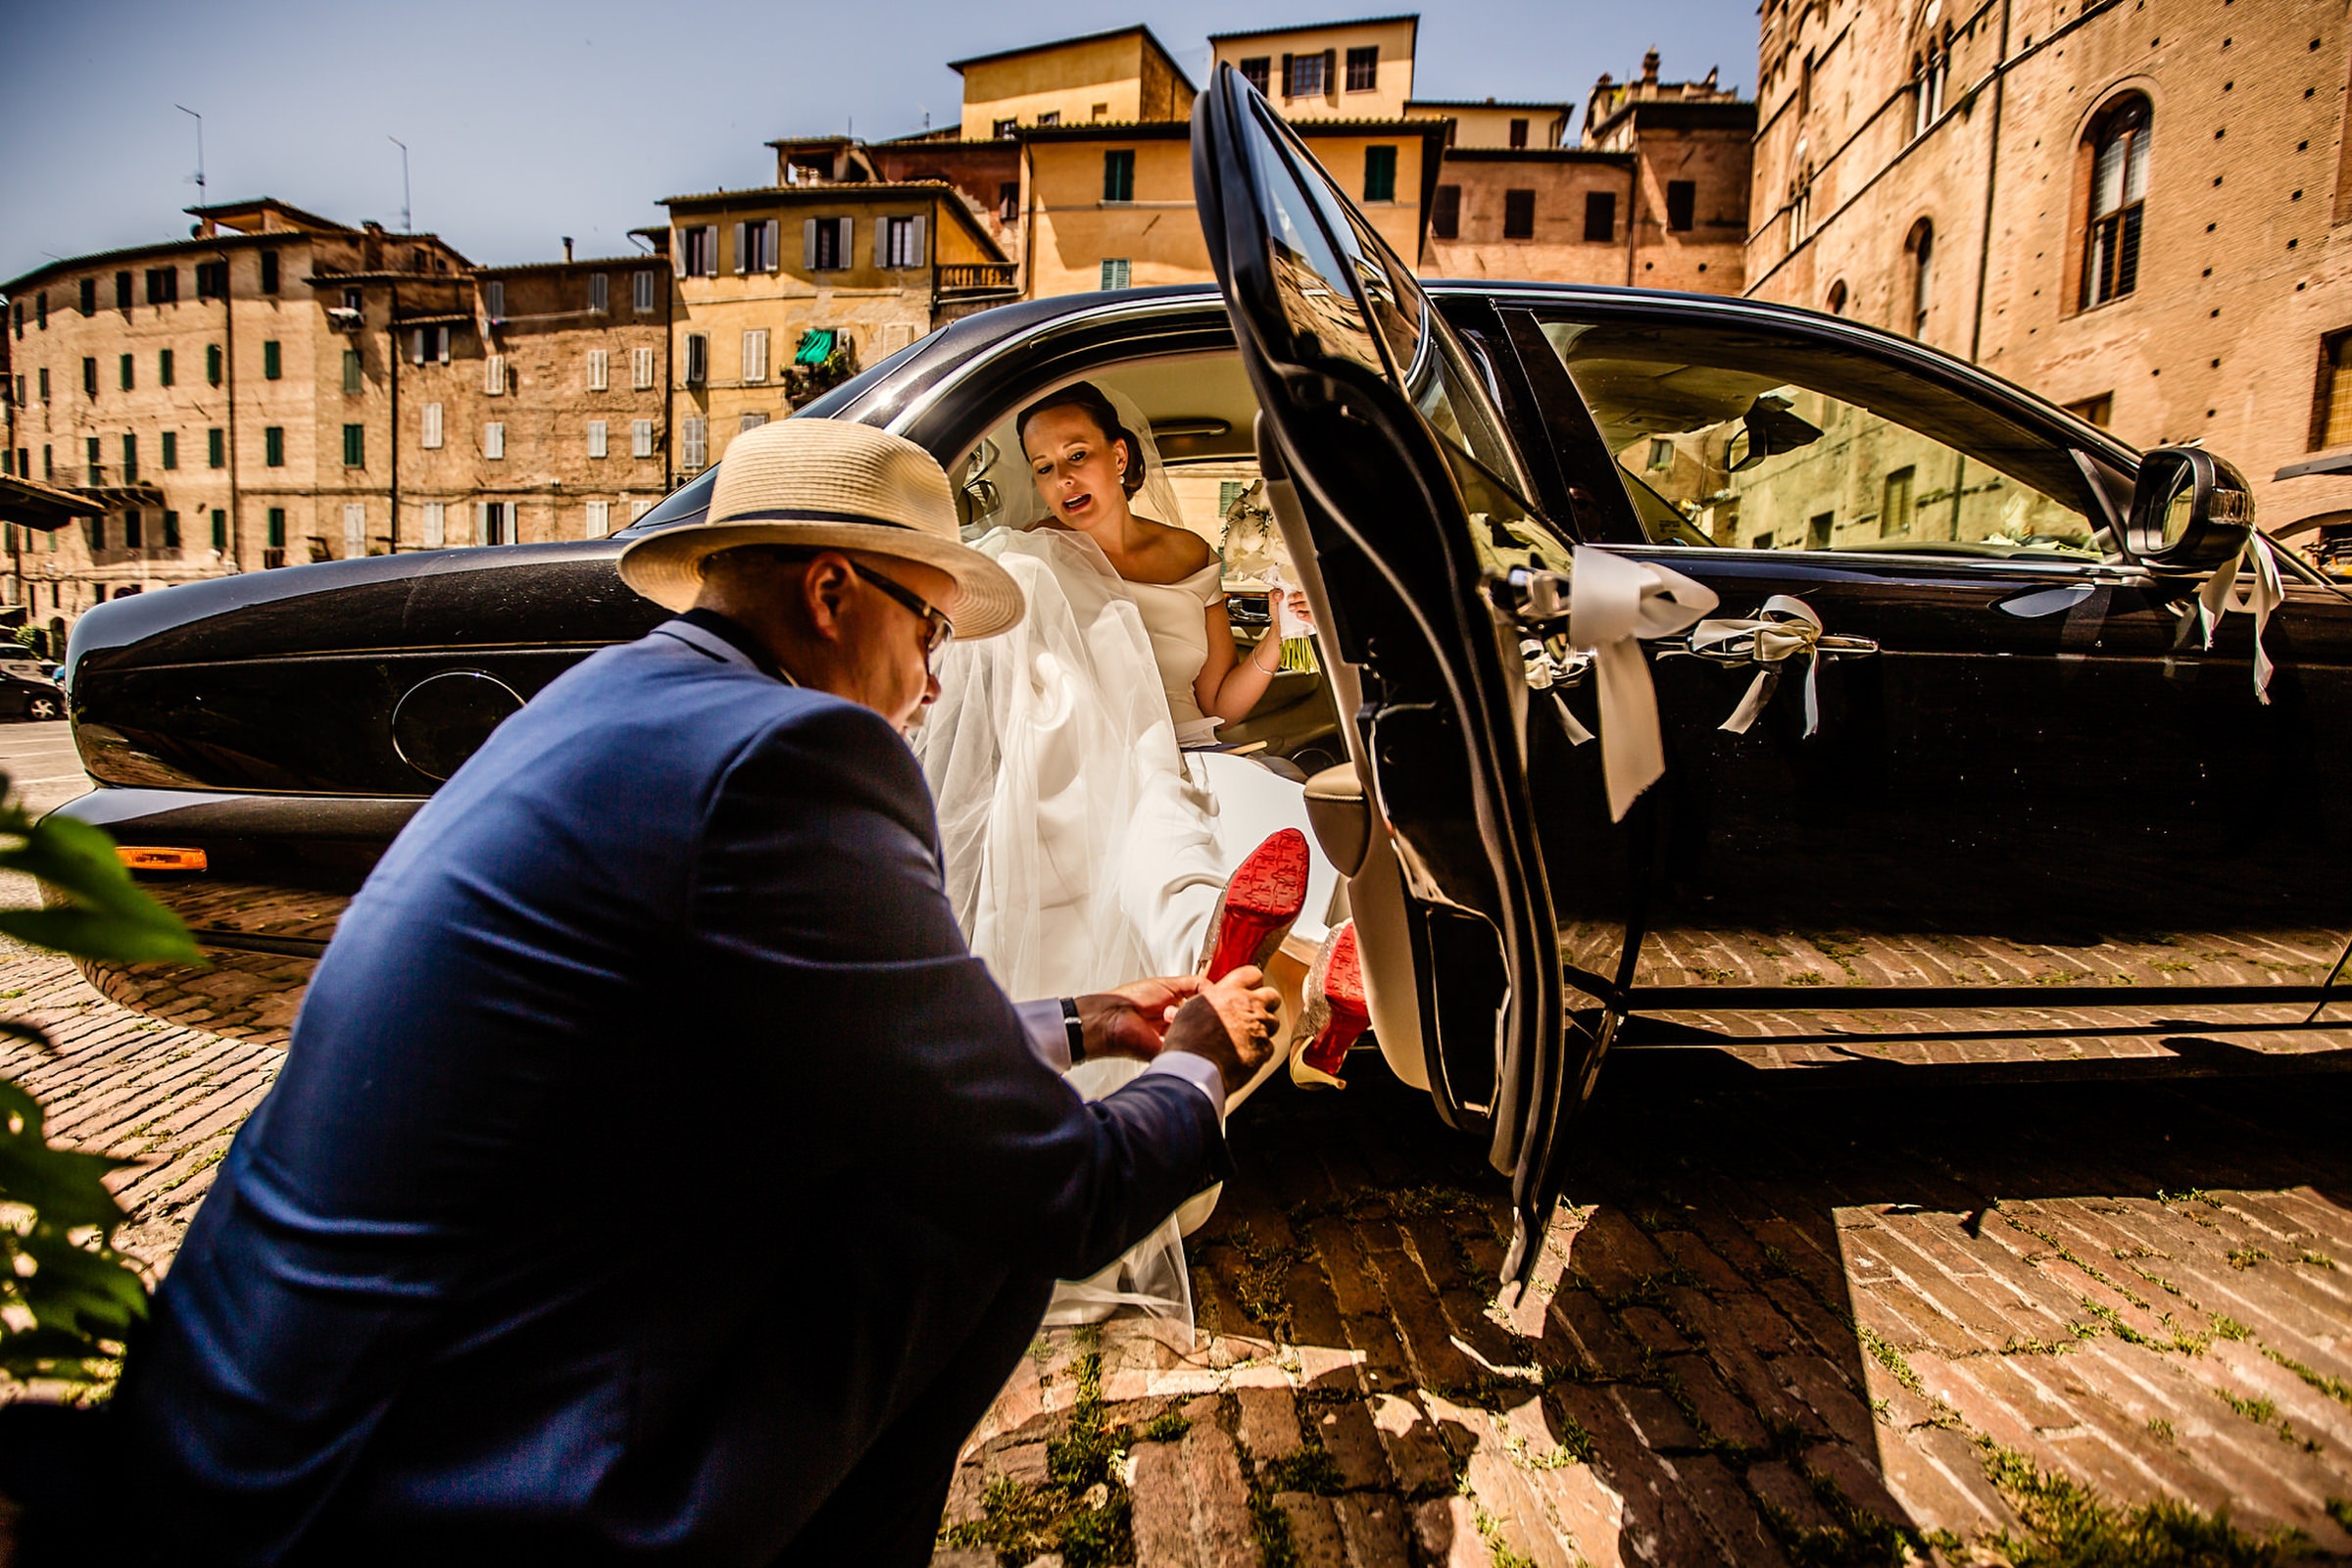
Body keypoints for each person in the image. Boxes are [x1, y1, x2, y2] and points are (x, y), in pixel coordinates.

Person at [96, 419, 1282, 1567]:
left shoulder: (611, 695)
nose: (935, 678)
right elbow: (1057, 1194)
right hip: (421, 1477)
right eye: (930, 627)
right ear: (831, 595)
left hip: (250, 1426)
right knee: (961, 1210)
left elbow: (807, 1031)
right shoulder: (797, 755)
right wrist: (1199, 1058)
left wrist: (1081, 1022)